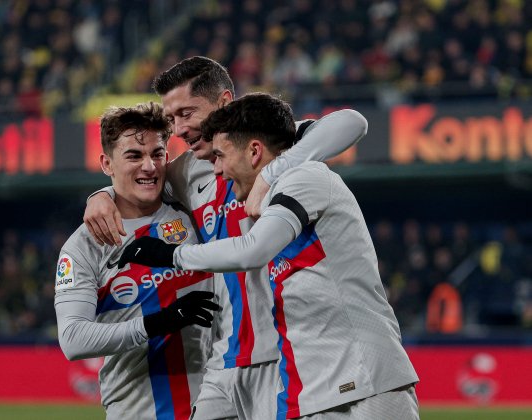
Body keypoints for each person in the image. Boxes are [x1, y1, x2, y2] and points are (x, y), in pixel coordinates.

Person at [84, 56, 368, 419]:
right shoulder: (184, 173)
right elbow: (137, 179)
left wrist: (273, 172)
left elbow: (351, 123)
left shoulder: (268, 148)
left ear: (223, 101)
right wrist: (101, 196)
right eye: (172, 119)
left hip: (282, 354)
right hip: (224, 359)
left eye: (187, 113)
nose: (179, 128)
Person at [119, 93, 420, 419]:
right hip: (312, 390)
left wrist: (171, 254)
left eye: (221, 156)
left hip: (365, 383)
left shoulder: (305, 178)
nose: (217, 170)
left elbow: (254, 249)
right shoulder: (278, 194)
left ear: (254, 151)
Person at [54, 102, 220, 419]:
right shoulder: (83, 246)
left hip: (218, 403)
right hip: (138, 410)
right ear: (106, 163)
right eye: (134, 156)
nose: (149, 166)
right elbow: (73, 340)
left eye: (157, 154)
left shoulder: (192, 208)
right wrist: (159, 322)